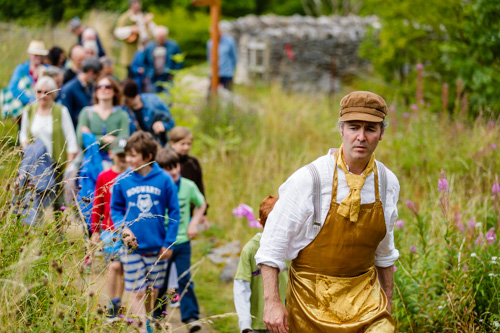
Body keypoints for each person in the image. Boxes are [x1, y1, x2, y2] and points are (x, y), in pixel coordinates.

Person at [255, 91, 401, 332]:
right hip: (311, 304)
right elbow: (271, 246)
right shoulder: (310, 179)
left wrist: (387, 302)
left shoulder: (387, 182)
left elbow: (384, 253)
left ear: (382, 133)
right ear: (341, 129)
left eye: (371, 129)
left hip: (367, 301)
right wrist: (272, 303)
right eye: (354, 127)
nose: (361, 137)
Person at [110, 131, 180, 333]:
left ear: (148, 156)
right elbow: (115, 209)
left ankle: (146, 321)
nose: (129, 160)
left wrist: (168, 243)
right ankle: (143, 329)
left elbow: (175, 212)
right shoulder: (123, 180)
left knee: (152, 292)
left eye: (133, 155)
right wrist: (123, 229)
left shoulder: (164, 180)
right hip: (131, 249)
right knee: (137, 292)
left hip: (157, 249)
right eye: (127, 155)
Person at [154, 148, 207, 332]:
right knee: (160, 281)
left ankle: (191, 317)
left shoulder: (189, 186)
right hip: (163, 244)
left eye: (175, 166)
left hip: (183, 242)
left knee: (185, 278)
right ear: (160, 170)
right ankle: (157, 317)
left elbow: (202, 204)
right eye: (168, 169)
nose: (175, 171)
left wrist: (193, 223)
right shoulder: (157, 188)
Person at [18, 76, 78, 224]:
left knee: (58, 201)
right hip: (36, 164)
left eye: (47, 92)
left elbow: (71, 138)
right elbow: (23, 135)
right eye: (39, 91)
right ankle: (33, 231)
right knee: (34, 198)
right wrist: (31, 153)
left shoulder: (60, 111)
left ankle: (59, 232)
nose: (43, 95)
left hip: (56, 163)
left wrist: (68, 165)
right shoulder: (29, 110)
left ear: (53, 94)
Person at [234, 195, 288, 333]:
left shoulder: (291, 249)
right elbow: (241, 288)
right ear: (260, 223)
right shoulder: (250, 250)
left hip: (285, 323)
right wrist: (245, 323)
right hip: (257, 325)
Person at [90, 139, 128, 318]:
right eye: (120, 155)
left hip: (128, 230)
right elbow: (98, 204)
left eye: (126, 155)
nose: (123, 159)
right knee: (114, 266)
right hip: (109, 229)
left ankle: (118, 300)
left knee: (122, 268)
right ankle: (112, 301)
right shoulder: (104, 177)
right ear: (112, 155)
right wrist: (95, 230)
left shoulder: (132, 176)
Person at [76, 75, 130, 167]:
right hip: (90, 164)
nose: (103, 89)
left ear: (114, 91)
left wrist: (92, 138)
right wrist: (105, 139)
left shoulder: (122, 115)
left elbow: (123, 141)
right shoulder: (87, 113)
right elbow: (81, 141)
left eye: (107, 87)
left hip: (114, 165)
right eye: (99, 87)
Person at [122, 79, 175, 146]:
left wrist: (163, 125)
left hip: (157, 145)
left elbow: (171, 121)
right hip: (135, 149)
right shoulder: (123, 110)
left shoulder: (154, 101)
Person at [4, 40, 49, 118]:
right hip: (24, 106)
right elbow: (12, 88)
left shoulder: (47, 69)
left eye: (40, 55)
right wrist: (30, 100)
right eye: (35, 55)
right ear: (30, 55)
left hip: (43, 104)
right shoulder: (21, 68)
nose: (38, 57)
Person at [114, 0, 156, 77]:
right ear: (131, 6)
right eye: (135, 5)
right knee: (131, 72)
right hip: (131, 50)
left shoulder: (143, 16)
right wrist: (130, 29)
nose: (137, 7)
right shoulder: (125, 17)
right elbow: (117, 32)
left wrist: (147, 24)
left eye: (138, 4)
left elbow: (153, 31)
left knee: (145, 73)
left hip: (143, 49)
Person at [60, 57, 102, 128]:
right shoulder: (68, 89)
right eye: (97, 75)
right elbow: (67, 116)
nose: (97, 78)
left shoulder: (91, 87)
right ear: (91, 72)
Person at [144, 26, 183, 92]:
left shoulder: (173, 45)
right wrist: (148, 73)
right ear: (155, 36)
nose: (162, 39)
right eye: (160, 37)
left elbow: (179, 60)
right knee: (154, 98)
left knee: (168, 98)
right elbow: (144, 61)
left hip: (168, 77)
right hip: (153, 77)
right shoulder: (149, 47)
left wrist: (173, 73)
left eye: (163, 37)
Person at [207, 23, 238, 91]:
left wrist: (232, 70)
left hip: (227, 72)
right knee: (211, 92)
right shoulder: (210, 42)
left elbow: (234, 57)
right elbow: (209, 57)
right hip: (214, 72)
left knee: (228, 93)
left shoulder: (229, 41)